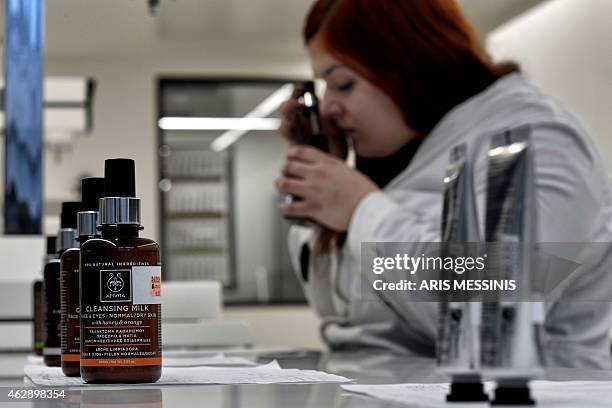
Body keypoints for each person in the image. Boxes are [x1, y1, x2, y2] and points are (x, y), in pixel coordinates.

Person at [276, 0, 612, 369]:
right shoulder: (409, 154)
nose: (328, 109)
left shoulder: (535, 138)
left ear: (407, 64)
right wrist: (328, 197)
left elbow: (492, 315)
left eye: (343, 84)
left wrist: (361, 210)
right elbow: (349, 318)